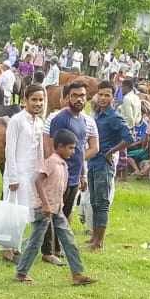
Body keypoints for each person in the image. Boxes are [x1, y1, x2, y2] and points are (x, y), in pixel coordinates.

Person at [14, 129, 96, 286]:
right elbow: (37, 180)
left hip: (56, 209)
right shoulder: (52, 162)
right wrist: (45, 204)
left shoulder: (62, 164)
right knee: (36, 242)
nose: (73, 151)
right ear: (60, 146)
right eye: (70, 148)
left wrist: (58, 205)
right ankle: (21, 273)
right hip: (44, 210)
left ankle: (77, 274)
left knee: (69, 239)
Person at [44, 81, 98, 265]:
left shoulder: (84, 120)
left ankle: (58, 248)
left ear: (87, 98)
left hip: (75, 175)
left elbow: (81, 151)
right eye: (74, 96)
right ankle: (47, 251)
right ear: (67, 97)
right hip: (61, 174)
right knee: (53, 213)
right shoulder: (61, 119)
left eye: (82, 96)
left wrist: (82, 174)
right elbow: (52, 146)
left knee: (66, 214)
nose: (78, 99)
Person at [2, 84, 48, 262]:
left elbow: (39, 151)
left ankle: (16, 246)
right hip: (17, 172)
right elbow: (9, 150)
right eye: (34, 99)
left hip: (31, 174)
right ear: (25, 100)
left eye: (41, 100)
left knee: (25, 212)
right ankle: (6, 248)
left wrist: (41, 172)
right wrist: (13, 177)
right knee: (13, 210)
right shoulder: (17, 121)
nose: (38, 103)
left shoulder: (39, 122)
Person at [88, 81, 130, 251]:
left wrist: (111, 151)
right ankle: (94, 236)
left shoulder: (114, 117)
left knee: (102, 202)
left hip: (104, 164)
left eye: (107, 95)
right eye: (101, 95)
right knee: (94, 201)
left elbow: (129, 138)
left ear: (113, 97)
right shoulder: (98, 115)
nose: (103, 98)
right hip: (92, 162)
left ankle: (99, 242)